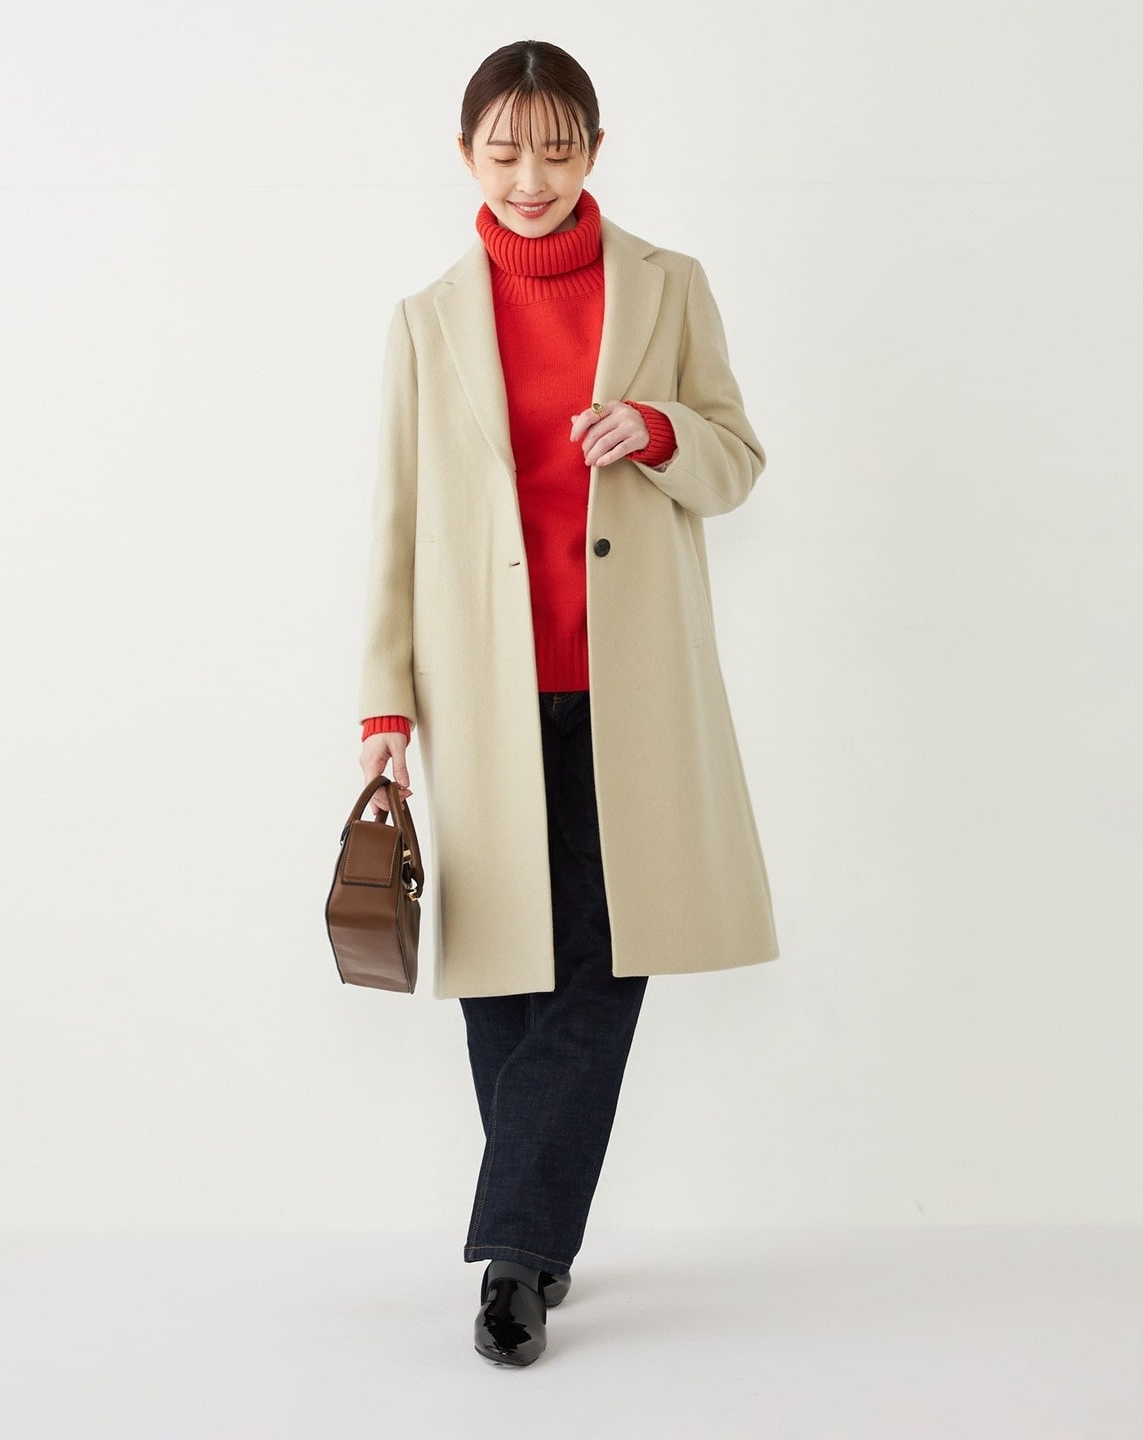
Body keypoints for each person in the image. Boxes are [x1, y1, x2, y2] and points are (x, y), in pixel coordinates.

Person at [355, 39, 780, 1367]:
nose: (530, 177)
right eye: (503, 151)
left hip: (631, 687)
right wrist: (383, 708)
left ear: (595, 147)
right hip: (482, 694)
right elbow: (396, 522)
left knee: (604, 959)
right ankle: (532, 1244)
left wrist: (658, 431)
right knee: (500, 973)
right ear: (466, 155)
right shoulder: (426, 320)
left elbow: (737, 463)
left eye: (556, 148)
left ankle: (514, 1255)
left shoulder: (668, 286)